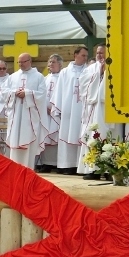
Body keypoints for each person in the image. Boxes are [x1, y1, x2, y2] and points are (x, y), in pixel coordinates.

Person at [77, 44, 124, 179]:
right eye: (98, 53)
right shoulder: (90, 69)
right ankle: (94, 170)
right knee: (94, 136)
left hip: (110, 108)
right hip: (94, 109)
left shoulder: (115, 66)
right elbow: (83, 85)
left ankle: (110, 170)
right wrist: (100, 73)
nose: (99, 55)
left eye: (102, 53)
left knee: (111, 137)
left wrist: (106, 72)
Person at [0, 53, 48, 169]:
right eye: (19, 62)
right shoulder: (13, 77)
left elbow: (42, 94)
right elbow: (3, 92)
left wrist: (27, 93)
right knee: (15, 140)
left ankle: (28, 168)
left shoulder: (39, 77)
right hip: (16, 116)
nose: (21, 64)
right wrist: (14, 93)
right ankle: (15, 168)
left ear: (30, 61)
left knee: (28, 140)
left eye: (23, 62)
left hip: (29, 116)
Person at [50, 46, 88, 174]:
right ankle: (66, 165)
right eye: (83, 55)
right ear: (75, 55)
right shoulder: (65, 72)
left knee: (81, 135)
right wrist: (58, 108)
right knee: (66, 134)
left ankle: (79, 165)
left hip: (82, 109)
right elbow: (59, 91)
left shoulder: (88, 70)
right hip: (68, 109)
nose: (85, 58)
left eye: (86, 56)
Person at [39, 54, 63, 173]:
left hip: (57, 113)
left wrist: (55, 108)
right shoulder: (45, 78)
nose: (51, 64)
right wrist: (44, 107)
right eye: (50, 62)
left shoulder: (62, 78)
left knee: (56, 136)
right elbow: (41, 94)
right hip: (45, 113)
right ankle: (46, 163)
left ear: (60, 64)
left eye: (53, 62)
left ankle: (57, 163)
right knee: (45, 136)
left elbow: (62, 95)